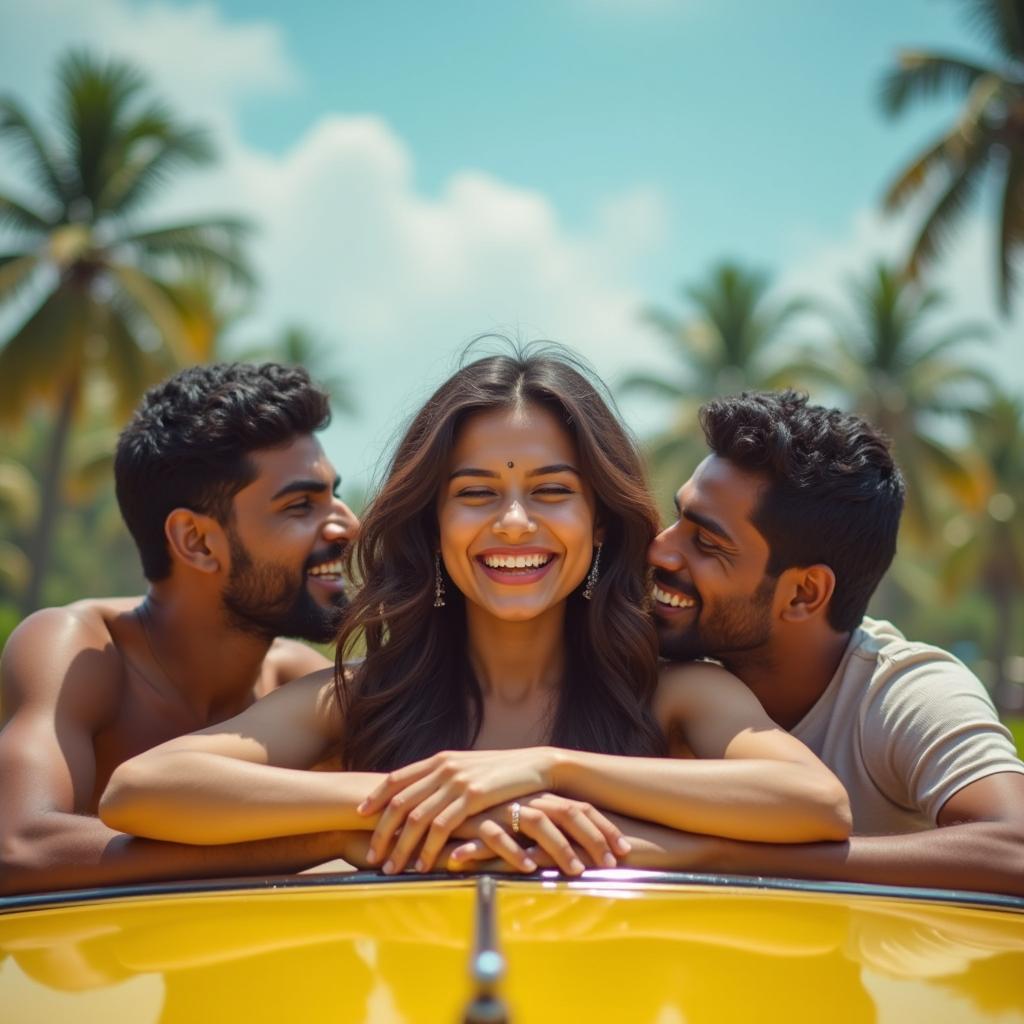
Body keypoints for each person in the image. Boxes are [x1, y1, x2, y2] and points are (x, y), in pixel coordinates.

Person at [99, 348, 851, 877]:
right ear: (431, 523)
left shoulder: (674, 692)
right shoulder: (361, 696)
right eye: (476, 492)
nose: (515, 523)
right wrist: (394, 813)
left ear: (599, 522)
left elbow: (813, 803)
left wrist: (544, 770)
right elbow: (144, 790)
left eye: (552, 490)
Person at [642, 389, 1024, 895]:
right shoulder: (659, 669)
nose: (660, 550)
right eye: (677, 519)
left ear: (803, 593)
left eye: (708, 543)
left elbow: (1014, 846)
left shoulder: (905, 693)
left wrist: (733, 857)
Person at [0, 362, 361, 895]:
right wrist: (323, 838)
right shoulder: (80, 648)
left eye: (335, 495)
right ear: (196, 541)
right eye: (301, 505)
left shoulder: (302, 683)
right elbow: (19, 848)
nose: (348, 524)